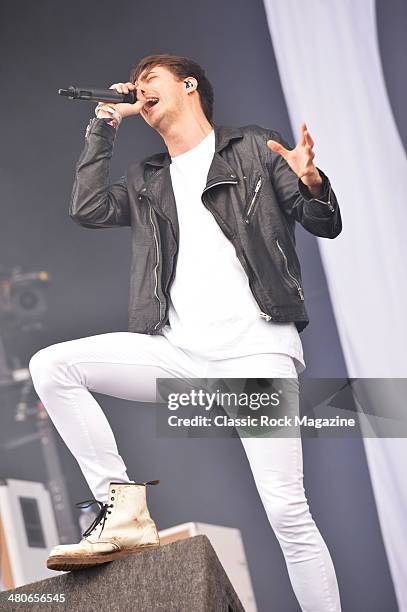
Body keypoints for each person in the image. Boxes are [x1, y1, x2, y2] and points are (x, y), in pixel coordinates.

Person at [29, 54, 342, 610]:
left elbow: (323, 222)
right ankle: (121, 509)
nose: (140, 89)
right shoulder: (148, 178)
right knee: (52, 365)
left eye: (151, 79)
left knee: (288, 514)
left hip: (254, 354)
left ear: (188, 85)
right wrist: (105, 122)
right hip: (178, 353)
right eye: (137, 84)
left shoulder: (252, 148)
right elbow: (88, 207)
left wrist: (313, 182)